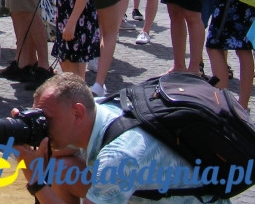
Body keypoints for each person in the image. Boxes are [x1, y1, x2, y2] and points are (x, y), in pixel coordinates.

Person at [14, 73, 231, 204]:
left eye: (47, 118)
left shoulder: (118, 157)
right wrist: (26, 135)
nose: (44, 125)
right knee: (62, 169)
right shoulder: (99, 107)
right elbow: (63, 149)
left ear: (77, 112)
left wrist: (36, 180)